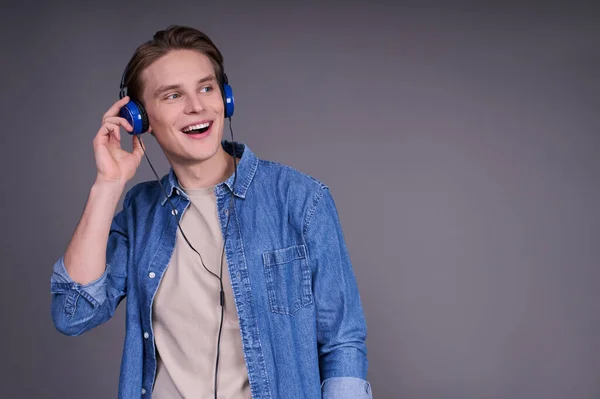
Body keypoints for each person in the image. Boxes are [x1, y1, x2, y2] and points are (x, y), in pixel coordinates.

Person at [50, 25, 373, 399]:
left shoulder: (301, 200)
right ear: (141, 119)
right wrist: (107, 185)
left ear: (226, 98)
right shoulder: (140, 211)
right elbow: (72, 315)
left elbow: (342, 342)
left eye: (206, 88)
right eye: (173, 95)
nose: (197, 106)